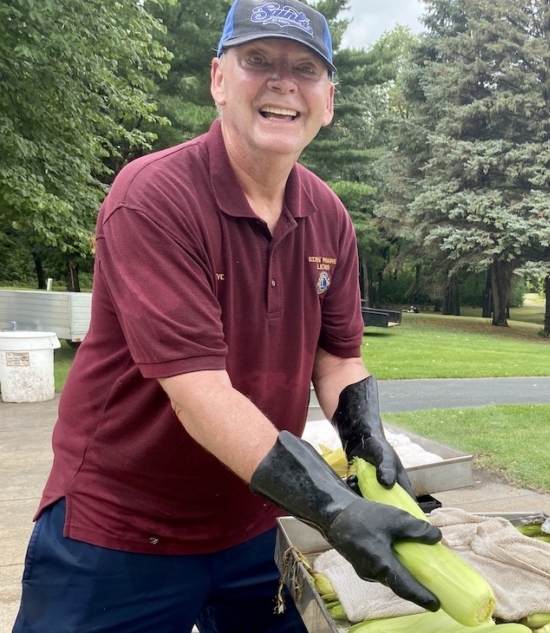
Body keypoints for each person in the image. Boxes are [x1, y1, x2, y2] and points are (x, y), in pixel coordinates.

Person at [13, 1, 442, 631]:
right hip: (122, 530)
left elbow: (339, 355)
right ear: (218, 80)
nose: (282, 81)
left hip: (257, 519)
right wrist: (335, 510)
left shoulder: (328, 215)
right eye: (258, 60)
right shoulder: (154, 197)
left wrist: (365, 443)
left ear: (327, 100)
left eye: (305, 68)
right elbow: (200, 393)